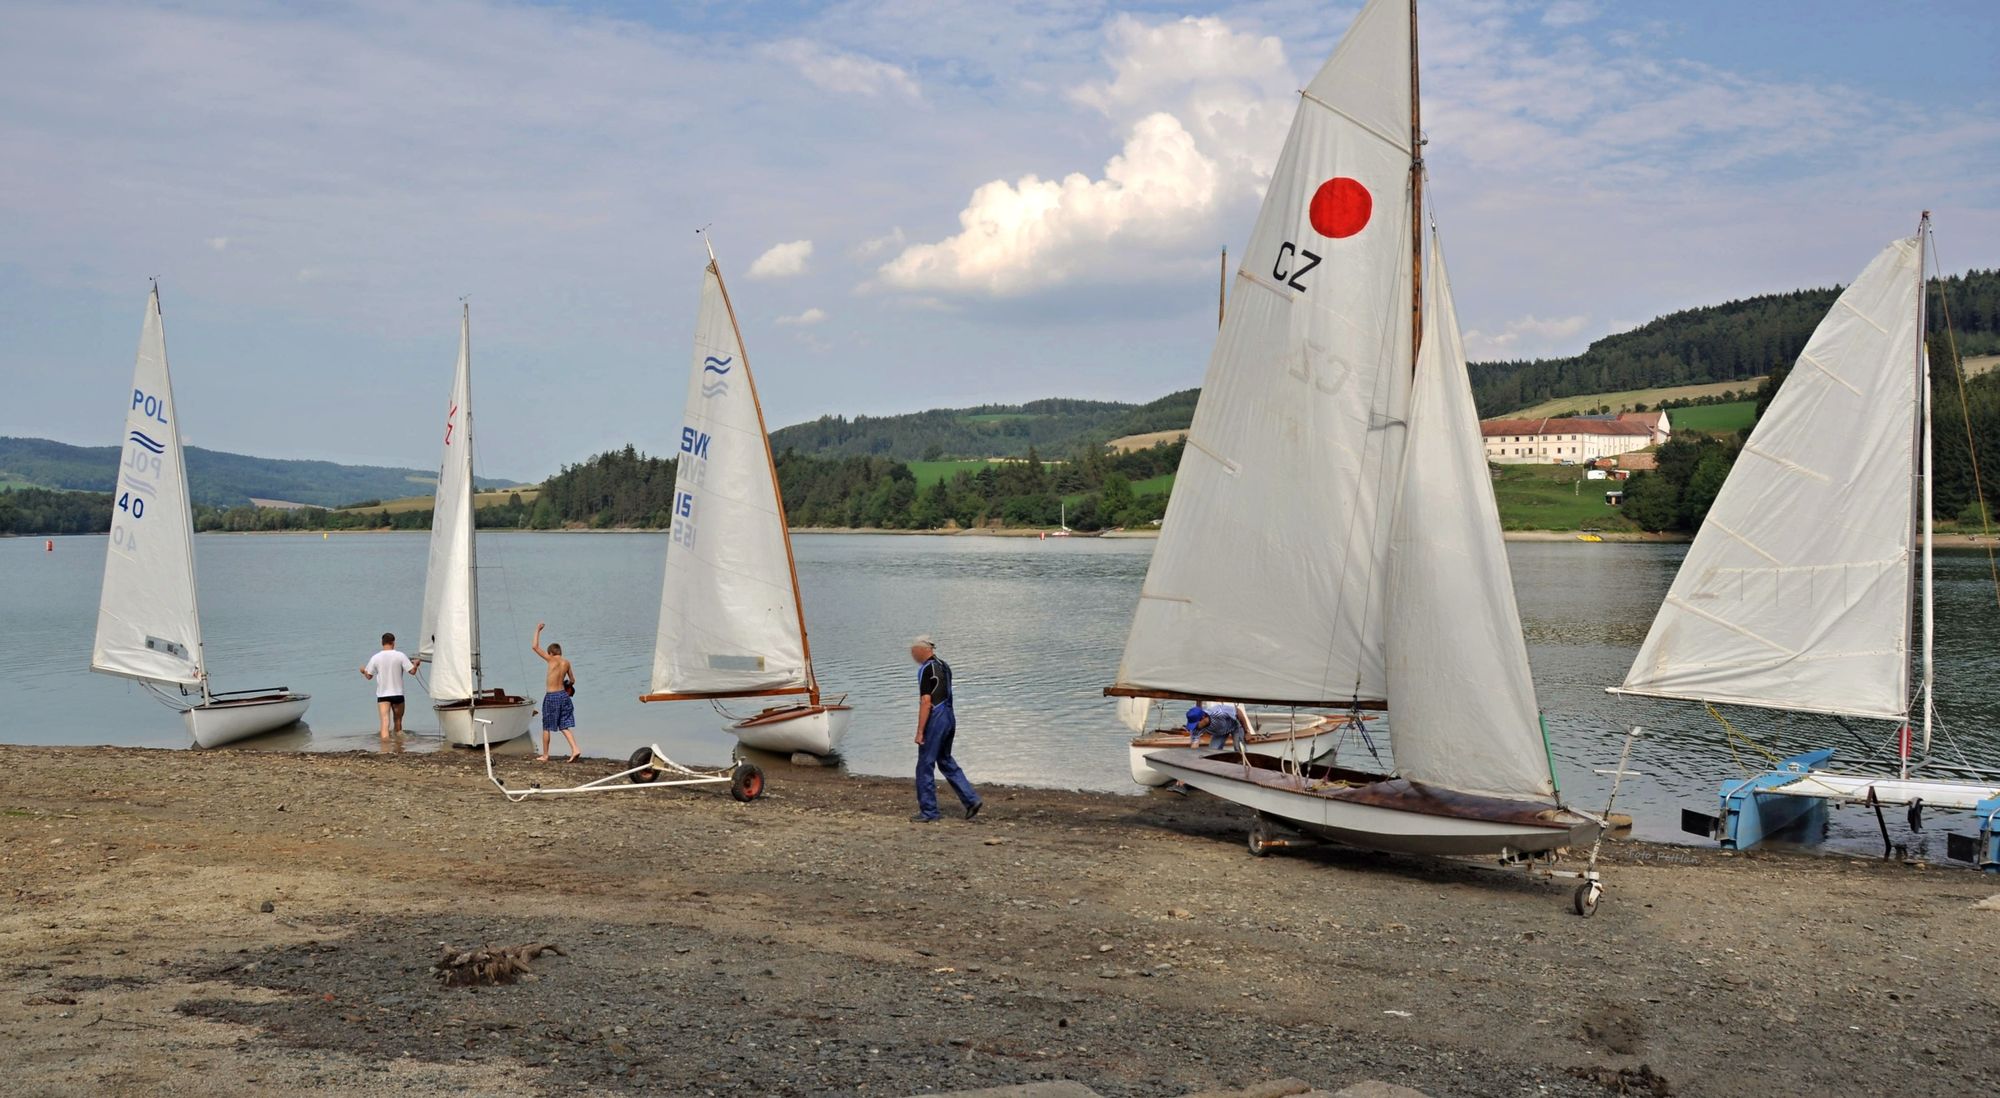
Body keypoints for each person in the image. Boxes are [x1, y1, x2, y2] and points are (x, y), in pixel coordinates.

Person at [910, 635, 980, 823]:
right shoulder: (944, 665)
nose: (912, 654)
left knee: (925, 764)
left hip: (937, 717)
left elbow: (926, 701)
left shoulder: (927, 669)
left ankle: (929, 812)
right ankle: (971, 799)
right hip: (950, 716)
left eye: (913, 651)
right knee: (945, 759)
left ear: (922, 649)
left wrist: (919, 731)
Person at [359, 633, 422, 740]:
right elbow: (412, 672)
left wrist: (363, 671)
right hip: (398, 694)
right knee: (398, 721)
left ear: (382, 643)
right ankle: (399, 745)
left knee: (384, 722)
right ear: (393, 642)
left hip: (383, 695)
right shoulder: (400, 655)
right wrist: (416, 664)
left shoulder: (375, 657)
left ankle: (385, 747)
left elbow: (369, 676)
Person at [531, 622, 579, 762]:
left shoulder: (550, 659)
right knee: (564, 724)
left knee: (546, 725)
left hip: (552, 696)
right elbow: (573, 680)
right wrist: (567, 684)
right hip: (563, 696)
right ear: (560, 652)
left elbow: (534, 647)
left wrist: (537, 630)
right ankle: (575, 749)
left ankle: (545, 755)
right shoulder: (567, 662)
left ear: (551, 653)